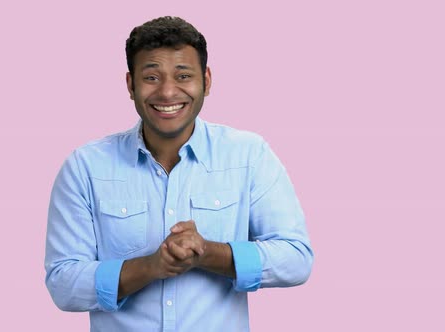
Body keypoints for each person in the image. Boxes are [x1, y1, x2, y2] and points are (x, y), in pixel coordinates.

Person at [45, 16, 313, 332]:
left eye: (183, 75)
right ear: (131, 85)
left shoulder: (249, 155)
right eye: (152, 77)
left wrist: (209, 254)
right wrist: (149, 267)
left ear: (207, 81)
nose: (168, 92)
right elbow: (63, 283)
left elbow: (296, 259)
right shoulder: (85, 167)